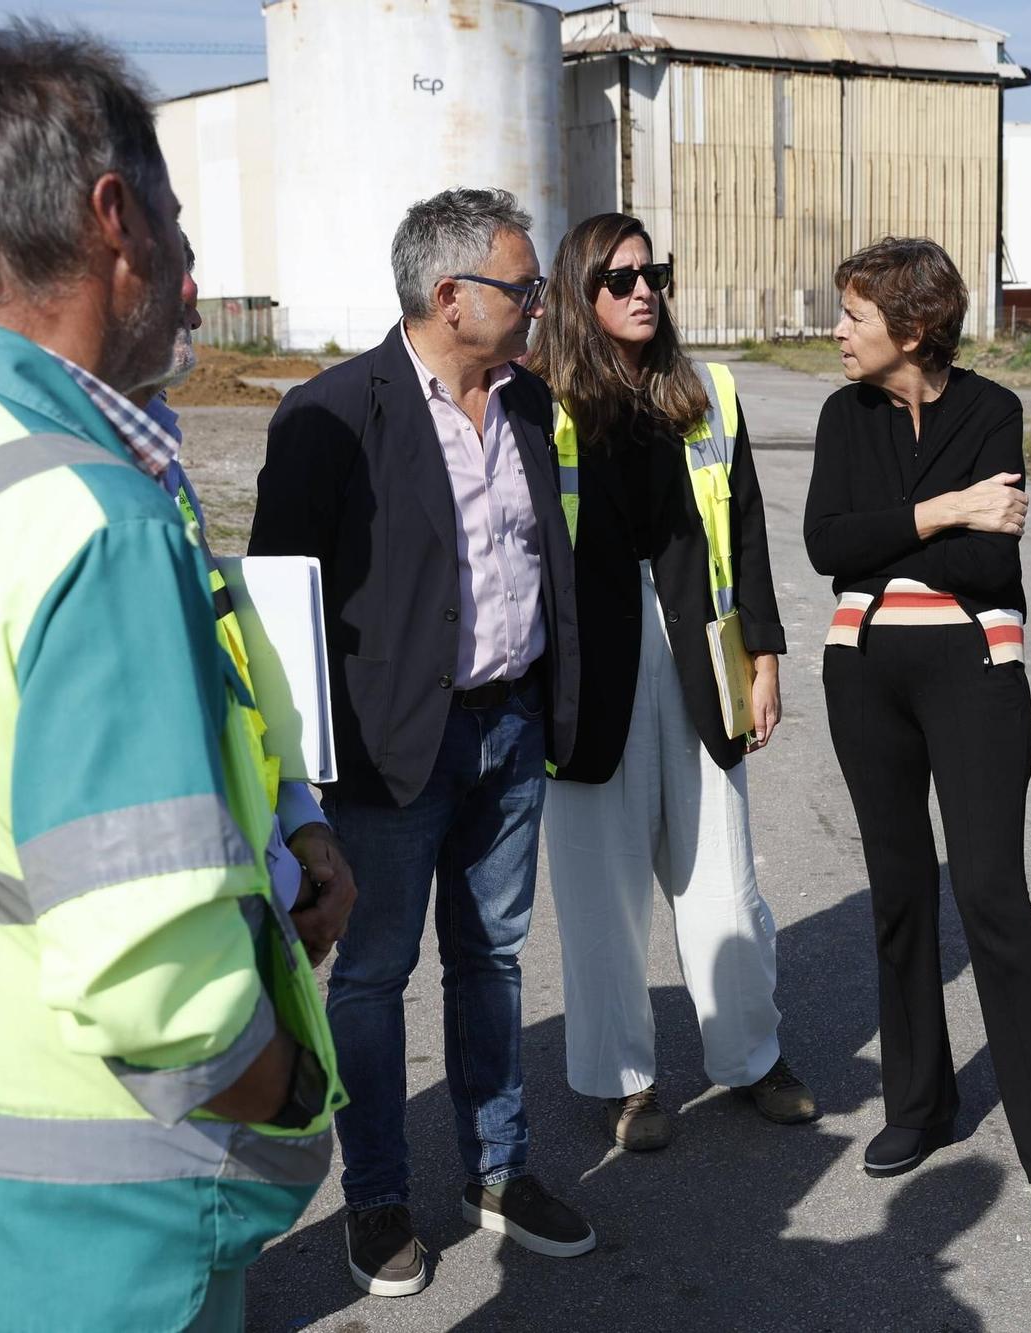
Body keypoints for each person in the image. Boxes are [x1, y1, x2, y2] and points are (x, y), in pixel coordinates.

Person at [0, 22, 343, 1331]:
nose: (192, 266)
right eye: (178, 221)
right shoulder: (88, 518)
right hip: (114, 1227)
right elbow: (154, 986)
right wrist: (277, 1086)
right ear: (116, 217)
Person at [250, 188, 591, 1299]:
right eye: (522, 286)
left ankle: (497, 1169)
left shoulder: (530, 405)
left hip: (508, 724)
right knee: (376, 974)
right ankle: (380, 1195)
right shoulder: (334, 414)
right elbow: (278, 612)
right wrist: (298, 785)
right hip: (392, 749)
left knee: (491, 957)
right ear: (449, 296)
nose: (539, 303)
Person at [802, 237, 1031, 1237]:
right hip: (862, 675)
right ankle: (919, 1106)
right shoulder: (842, 416)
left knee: (988, 893)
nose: (835, 331)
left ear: (911, 327)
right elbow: (823, 546)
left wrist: (899, 535)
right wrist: (948, 508)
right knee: (898, 892)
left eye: (852, 314)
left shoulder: (991, 409)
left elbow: (985, 564)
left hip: (974, 671)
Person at [527, 212, 816, 1151]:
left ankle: (752, 1057)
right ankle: (625, 1084)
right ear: (580, 294)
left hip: (696, 659)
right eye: (619, 278)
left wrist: (764, 655)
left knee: (724, 881)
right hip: (583, 675)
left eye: (654, 273)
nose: (643, 289)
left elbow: (749, 532)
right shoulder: (536, 400)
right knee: (600, 895)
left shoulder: (711, 392)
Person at [130, 232, 358, 940]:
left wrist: (300, 817)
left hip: (252, 892)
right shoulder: (67, 483)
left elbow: (231, 674)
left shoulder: (163, 462)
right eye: (171, 267)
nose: (194, 297)